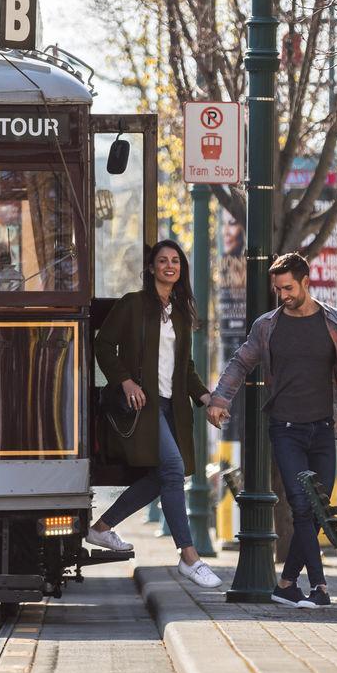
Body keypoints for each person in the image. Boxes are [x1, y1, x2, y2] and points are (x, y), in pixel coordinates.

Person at [207, 251, 337, 608]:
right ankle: (320, 587)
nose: (283, 295)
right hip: (285, 428)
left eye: (288, 288)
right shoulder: (267, 326)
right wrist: (220, 399)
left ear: (306, 282)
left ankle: (285, 584)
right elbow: (240, 361)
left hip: (324, 428)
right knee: (301, 505)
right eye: (278, 290)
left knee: (318, 508)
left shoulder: (334, 322)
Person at [85, 239, 222, 589]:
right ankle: (189, 557)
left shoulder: (180, 312)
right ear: (151, 268)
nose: (170, 265)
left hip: (171, 408)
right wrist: (126, 381)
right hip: (140, 410)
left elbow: (185, 368)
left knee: (164, 478)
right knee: (173, 470)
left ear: (181, 269)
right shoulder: (132, 304)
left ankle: (101, 528)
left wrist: (207, 398)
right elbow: (102, 344)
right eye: (162, 260)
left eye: (175, 260)